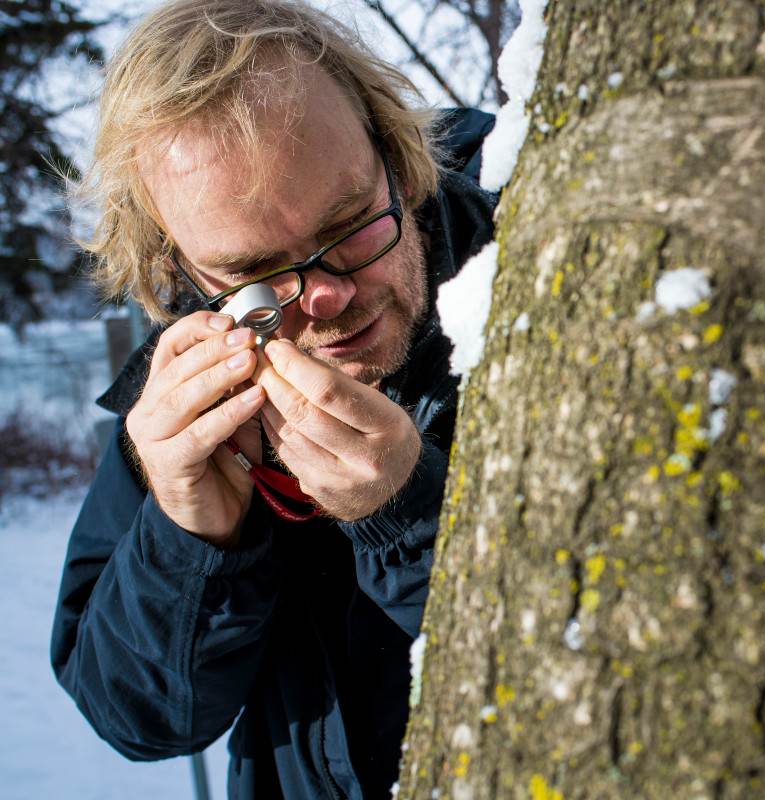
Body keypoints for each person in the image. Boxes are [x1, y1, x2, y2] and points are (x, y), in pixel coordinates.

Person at [49, 1, 496, 797]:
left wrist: (413, 511)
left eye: (352, 225)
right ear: (182, 267)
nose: (323, 298)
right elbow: (137, 720)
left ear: (397, 153)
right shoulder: (185, 396)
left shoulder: (536, 271)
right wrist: (189, 536)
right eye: (255, 269)